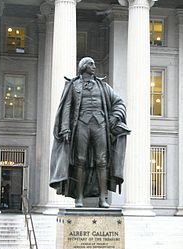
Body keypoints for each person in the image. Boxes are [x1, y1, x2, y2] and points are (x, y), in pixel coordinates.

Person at [49, 57, 130, 208]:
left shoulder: (103, 86)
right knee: (80, 161)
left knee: (102, 161)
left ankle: (102, 198)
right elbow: (66, 108)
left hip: (100, 125)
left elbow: (119, 102)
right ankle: (78, 198)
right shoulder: (73, 85)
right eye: (91, 64)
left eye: (94, 63)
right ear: (84, 66)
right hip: (81, 125)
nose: (94, 66)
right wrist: (65, 128)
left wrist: (114, 117)